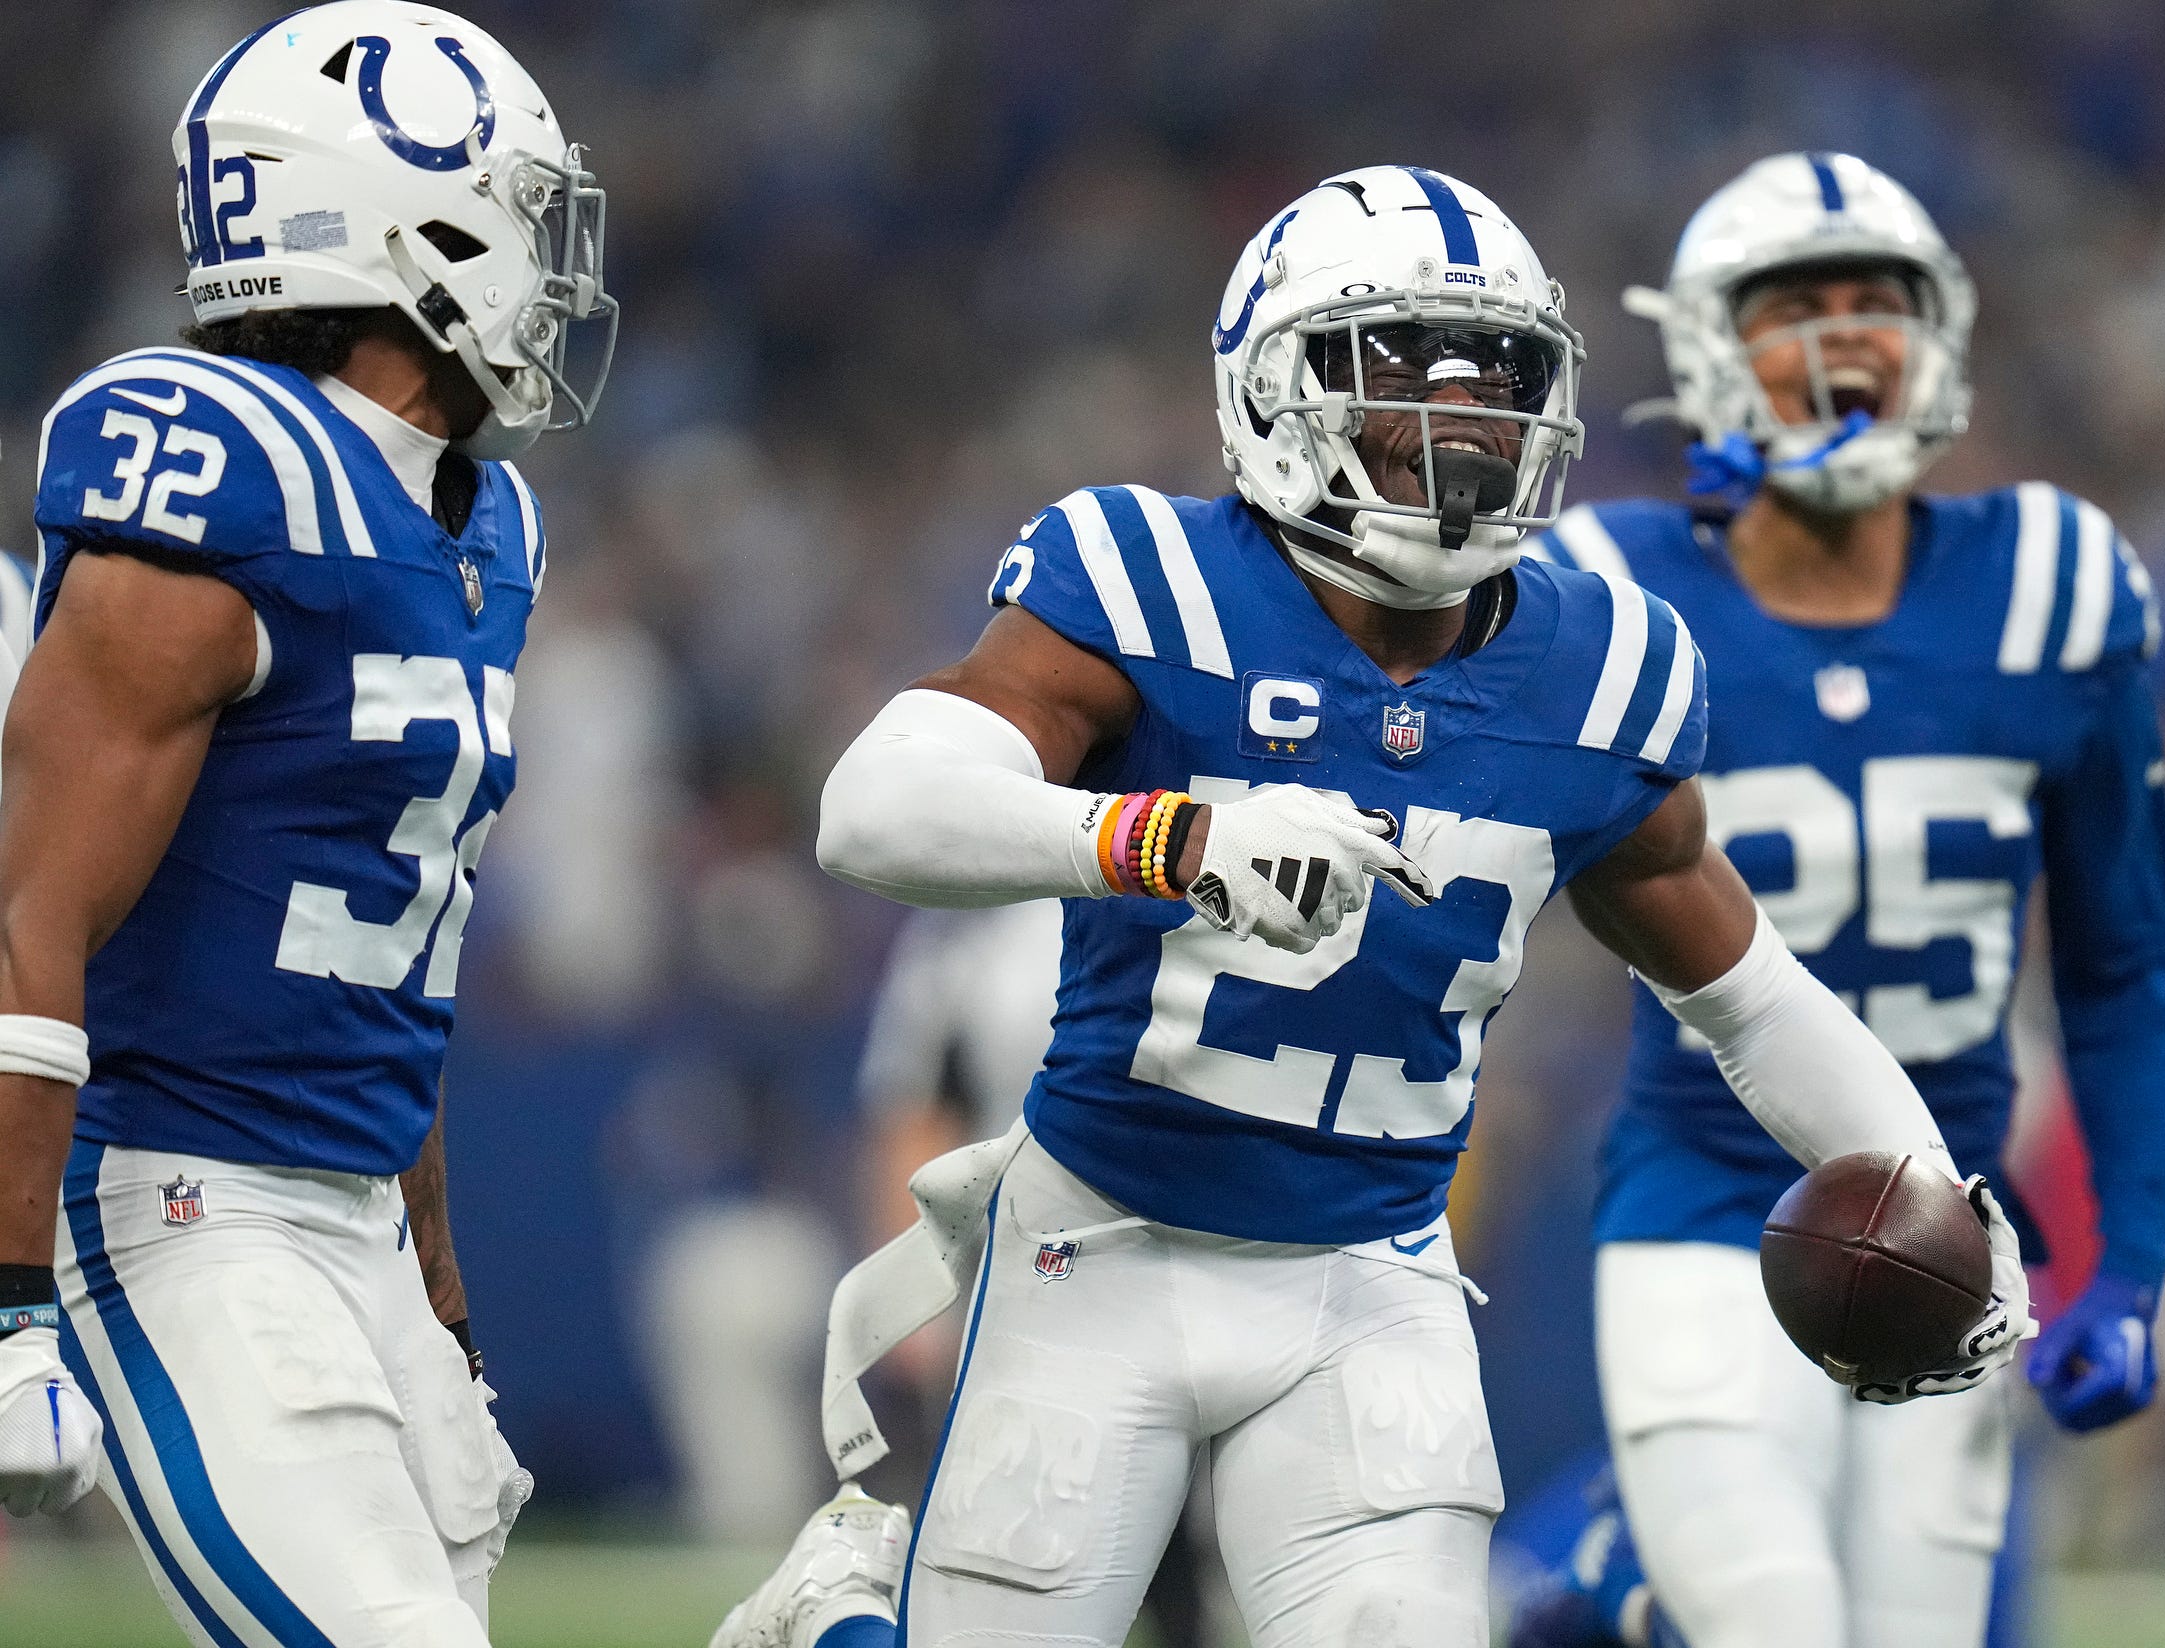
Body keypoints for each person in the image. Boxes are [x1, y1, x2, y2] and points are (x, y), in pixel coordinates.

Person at [713, 163, 2032, 1648]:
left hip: (1371, 1278)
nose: (1465, 416)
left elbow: (1749, 996)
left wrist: (1933, 1189)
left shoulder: (1602, 668)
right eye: (1402, 366)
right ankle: (848, 1620)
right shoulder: (1150, 578)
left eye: (1502, 377)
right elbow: (871, 811)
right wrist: (1169, 836)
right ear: (1272, 390)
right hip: (1098, 1248)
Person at [1511, 152, 2165, 1648]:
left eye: (1872, 301)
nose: (1839, 339)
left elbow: (2127, 964)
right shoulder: (1611, 591)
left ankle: (1604, 1597)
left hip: (1957, 1228)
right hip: (1702, 1204)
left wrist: (2128, 1264)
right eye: (1793, 305)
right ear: (1705, 347)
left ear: (1937, 334)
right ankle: (1603, 1584)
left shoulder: (2053, 584)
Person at [0, 4, 615, 1644]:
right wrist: (1, 1303)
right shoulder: (219, 475)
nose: (550, 267)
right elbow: (26, 914)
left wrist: (432, 1265)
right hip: (178, 1201)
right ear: (403, 227)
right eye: (522, 216)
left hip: (348, 1210)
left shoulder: (489, 526)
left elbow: (386, 951)